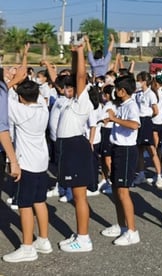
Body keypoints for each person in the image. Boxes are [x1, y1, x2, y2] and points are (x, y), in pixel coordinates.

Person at [3, 79, 51, 263]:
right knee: (40, 201)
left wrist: (12, 80)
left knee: (24, 205)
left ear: (21, 97)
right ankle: (44, 240)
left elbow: (4, 96)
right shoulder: (43, 108)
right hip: (41, 162)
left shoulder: (20, 110)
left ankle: (27, 247)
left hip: (27, 163)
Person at [57, 45, 94, 253]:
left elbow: (79, 76)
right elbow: (74, 75)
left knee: (80, 196)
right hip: (67, 146)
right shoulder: (71, 101)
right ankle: (80, 234)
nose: (68, 88)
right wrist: (73, 54)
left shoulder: (83, 99)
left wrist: (80, 53)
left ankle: (83, 238)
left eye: (72, 87)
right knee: (75, 194)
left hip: (75, 147)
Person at [100, 75, 141, 246]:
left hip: (126, 151)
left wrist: (114, 119)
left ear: (123, 91)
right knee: (117, 190)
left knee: (123, 192)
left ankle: (132, 231)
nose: (115, 92)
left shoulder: (132, 105)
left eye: (117, 89)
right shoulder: (121, 105)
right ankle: (122, 226)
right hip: (117, 148)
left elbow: (134, 124)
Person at [133, 72, 162, 189]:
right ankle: (141, 174)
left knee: (151, 148)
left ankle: (159, 175)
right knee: (139, 149)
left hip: (146, 121)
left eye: (139, 80)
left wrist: (148, 116)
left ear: (144, 81)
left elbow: (155, 110)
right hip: (138, 120)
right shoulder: (138, 93)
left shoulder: (151, 94)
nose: (138, 83)